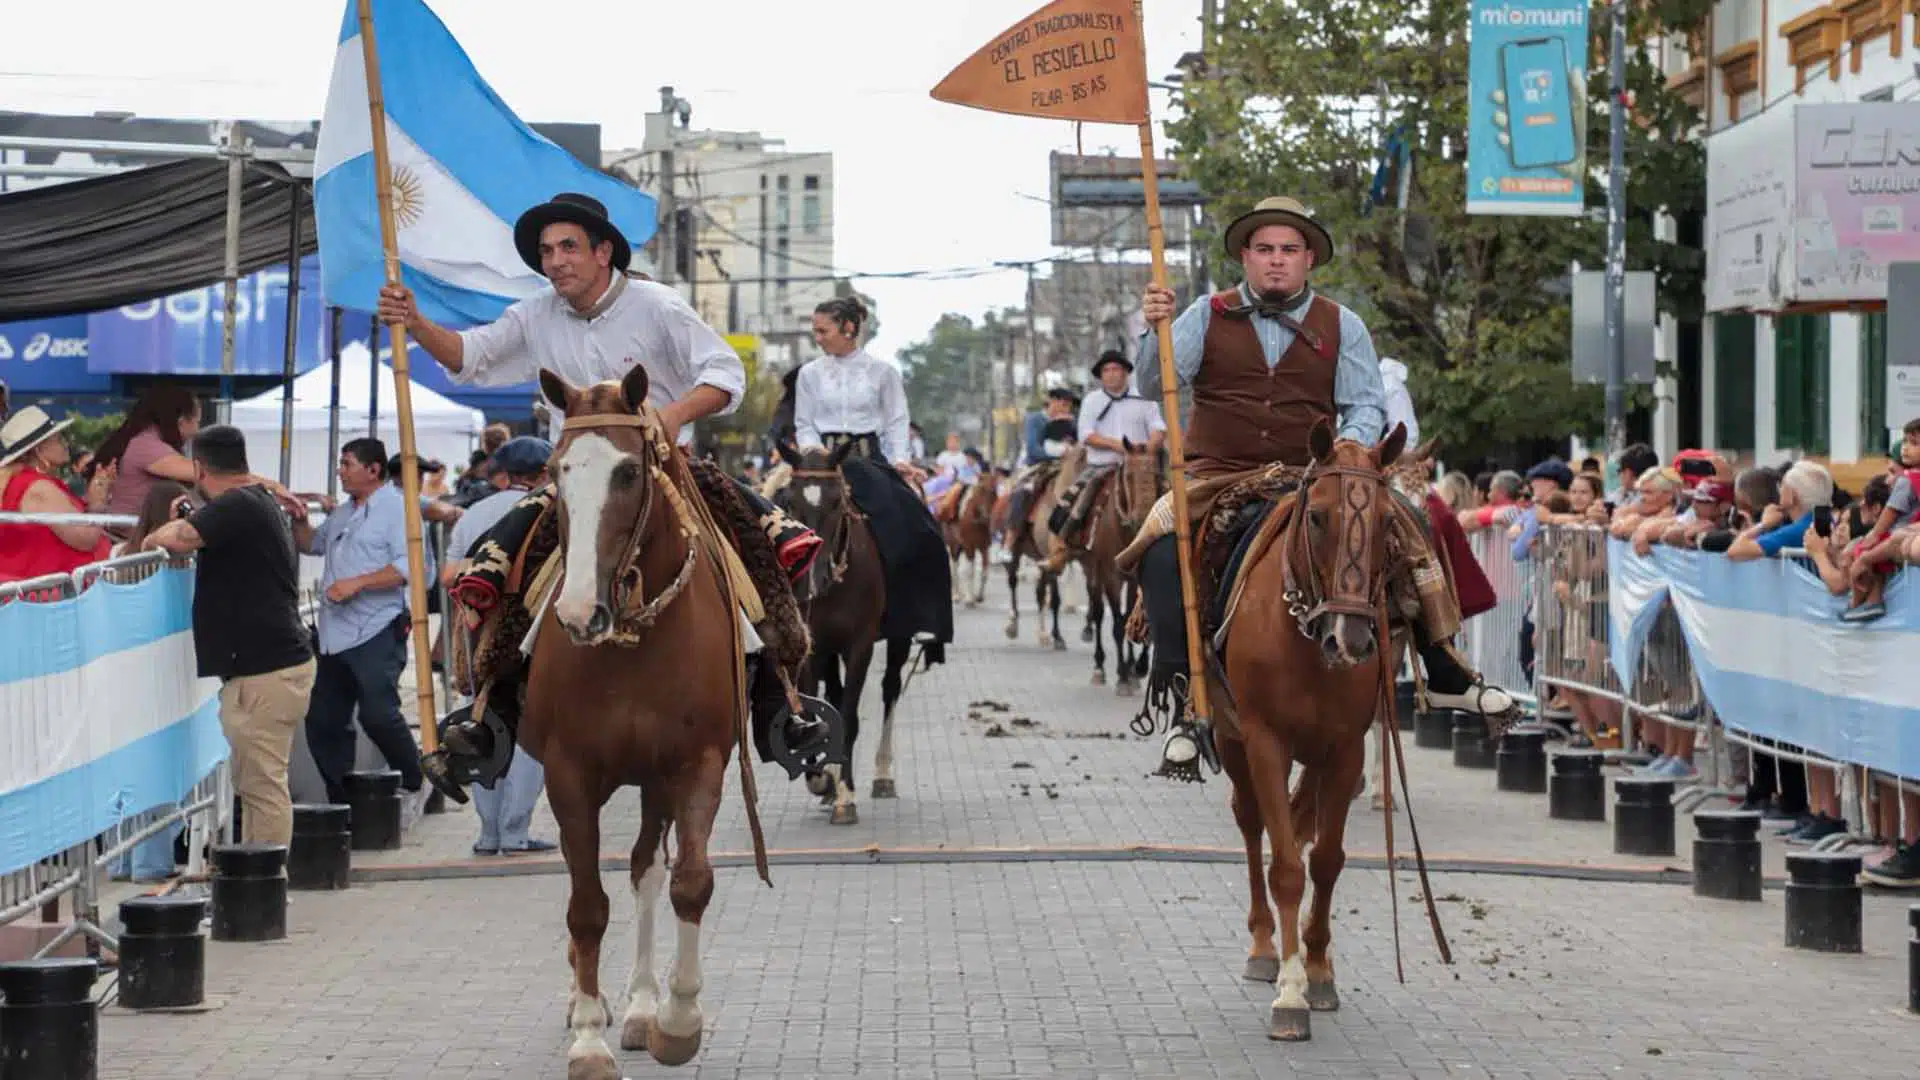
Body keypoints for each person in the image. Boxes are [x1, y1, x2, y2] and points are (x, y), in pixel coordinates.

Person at [373, 190, 821, 791]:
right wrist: (417, 323)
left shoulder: (657, 305)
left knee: (756, 554)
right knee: (499, 569)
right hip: (572, 484)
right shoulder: (534, 314)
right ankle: (490, 715)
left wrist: (673, 413)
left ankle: (779, 705)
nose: (555, 261)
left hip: (661, 472)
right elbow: (472, 357)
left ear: (603, 251)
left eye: (568, 248)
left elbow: (725, 374)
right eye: (546, 251)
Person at [1127, 195, 1514, 772]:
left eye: (1288, 250)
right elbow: (1153, 385)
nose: (1276, 260)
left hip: (1309, 472)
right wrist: (1152, 329)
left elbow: (1363, 405)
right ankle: (1187, 698)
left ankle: (1444, 666)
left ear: (1308, 258)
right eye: (1264, 250)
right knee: (1159, 547)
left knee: (1410, 520)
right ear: (1245, 257)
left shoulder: (1343, 324)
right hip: (1218, 473)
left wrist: (1345, 455)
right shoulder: (1204, 314)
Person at [141, 425, 317, 851]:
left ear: (200, 468)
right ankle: (257, 882)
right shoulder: (256, 501)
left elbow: (181, 539)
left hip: (264, 671)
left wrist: (152, 537)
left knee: (263, 789)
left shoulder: (238, 504)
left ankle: (266, 891)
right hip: (270, 666)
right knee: (256, 786)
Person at [790, 295, 952, 660]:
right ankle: (775, 613)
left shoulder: (883, 373)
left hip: (870, 463)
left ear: (848, 328)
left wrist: (899, 461)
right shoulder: (810, 374)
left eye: (823, 330)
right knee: (771, 520)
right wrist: (815, 457)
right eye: (815, 330)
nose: (817, 337)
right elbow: (804, 425)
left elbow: (896, 423)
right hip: (818, 464)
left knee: (917, 527)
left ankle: (919, 618)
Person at [288, 437, 429, 805]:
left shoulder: (398, 510)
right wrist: (299, 520)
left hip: (376, 626)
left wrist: (359, 583)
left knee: (378, 714)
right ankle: (341, 799)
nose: (340, 471)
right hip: (333, 632)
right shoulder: (343, 511)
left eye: (346, 464)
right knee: (323, 720)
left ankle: (418, 779)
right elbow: (312, 545)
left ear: (373, 470)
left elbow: (411, 567)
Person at [441, 436, 556, 855]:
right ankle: (515, 830)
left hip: (477, 633)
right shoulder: (551, 511)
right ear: (545, 473)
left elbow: (448, 575)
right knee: (531, 730)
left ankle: (488, 832)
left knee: (485, 725)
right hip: (533, 635)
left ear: (503, 473)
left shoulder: (472, 515)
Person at [1044, 349, 1165, 570]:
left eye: (1115, 369)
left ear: (1126, 373)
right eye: (1106, 370)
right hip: (1102, 466)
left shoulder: (1144, 398)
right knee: (1075, 501)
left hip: (1141, 467)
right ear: (1101, 376)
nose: (1110, 374)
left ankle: (1181, 545)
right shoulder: (1092, 401)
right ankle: (1061, 549)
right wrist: (1117, 445)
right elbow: (1086, 435)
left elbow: (1158, 428)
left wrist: (1148, 447)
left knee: (1170, 493)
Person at [0, 406, 114, 584]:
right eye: (58, 439)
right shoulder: (37, 488)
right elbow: (85, 538)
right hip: (54, 597)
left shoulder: (27, 483)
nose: (65, 443)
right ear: (39, 450)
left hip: (47, 591)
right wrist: (97, 503)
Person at [89, 384, 203, 540]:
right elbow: (203, 473)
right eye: (197, 421)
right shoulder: (146, 445)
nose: (197, 430)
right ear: (182, 422)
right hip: (130, 541)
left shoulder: (141, 441)